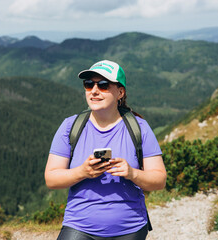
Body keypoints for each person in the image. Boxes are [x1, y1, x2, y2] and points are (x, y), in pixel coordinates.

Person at [45, 60, 167, 239]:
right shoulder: (70, 126)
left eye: (103, 85)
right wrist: (82, 171)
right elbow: (51, 179)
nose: (94, 91)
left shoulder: (139, 127)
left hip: (130, 227)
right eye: (89, 84)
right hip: (79, 225)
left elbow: (159, 180)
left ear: (120, 92)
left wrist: (132, 173)